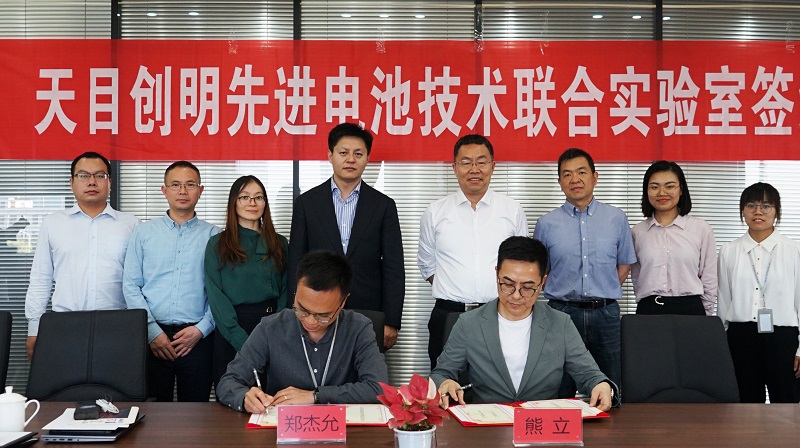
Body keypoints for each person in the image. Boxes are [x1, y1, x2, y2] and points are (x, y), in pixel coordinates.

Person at [431, 236, 616, 410]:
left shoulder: (561, 324)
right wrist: (445, 383)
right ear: (497, 274)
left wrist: (601, 385)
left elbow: (590, 374)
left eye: (527, 287)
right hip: (487, 423)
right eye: (507, 284)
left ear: (542, 282)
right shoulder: (469, 323)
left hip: (540, 424)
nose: (516, 295)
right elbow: (441, 373)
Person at [216, 251, 389, 413]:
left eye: (323, 316)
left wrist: (316, 396)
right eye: (302, 309)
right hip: (283, 428)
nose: (310, 321)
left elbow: (378, 388)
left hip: (341, 428)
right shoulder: (270, 328)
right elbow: (228, 382)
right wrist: (244, 397)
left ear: (343, 302)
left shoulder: (359, 328)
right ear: (296, 292)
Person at [287, 122, 404, 351]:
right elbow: (296, 262)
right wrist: (297, 310)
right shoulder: (307, 203)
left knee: (367, 371)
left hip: (368, 311)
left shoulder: (384, 206)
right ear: (330, 155)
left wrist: (391, 320)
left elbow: (393, 266)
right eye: (343, 153)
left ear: (367, 158)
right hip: (316, 311)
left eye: (358, 154)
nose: (351, 159)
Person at [418, 134, 528, 369]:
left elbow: (522, 265)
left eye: (481, 162)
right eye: (466, 162)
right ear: (454, 167)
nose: (474, 169)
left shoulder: (512, 210)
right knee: (445, 380)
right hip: (449, 314)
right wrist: (454, 288)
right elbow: (426, 263)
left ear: (493, 166)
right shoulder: (435, 212)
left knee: (499, 381)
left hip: (498, 313)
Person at [533, 148, 635, 397]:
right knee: (560, 387)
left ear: (595, 177)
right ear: (559, 182)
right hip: (561, 314)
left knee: (610, 386)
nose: (574, 179)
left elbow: (624, 263)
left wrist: (604, 289)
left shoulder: (616, 218)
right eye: (567, 174)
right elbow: (540, 271)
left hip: (605, 314)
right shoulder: (546, 224)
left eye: (581, 172)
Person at [25, 151, 139, 360]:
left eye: (100, 175)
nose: (92, 182)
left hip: (118, 326)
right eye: (83, 175)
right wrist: (34, 328)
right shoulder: (53, 223)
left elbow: (140, 281)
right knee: (65, 380)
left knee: (115, 381)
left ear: (110, 182)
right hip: (65, 325)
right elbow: (41, 279)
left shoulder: (131, 224)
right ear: (72, 183)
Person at [123, 161, 220, 402]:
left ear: (201, 190)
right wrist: (152, 332)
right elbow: (131, 285)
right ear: (164, 190)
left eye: (190, 185)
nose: (183, 191)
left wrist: (202, 329)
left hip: (198, 339)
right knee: (152, 413)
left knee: (196, 413)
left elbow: (222, 292)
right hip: (151, 339)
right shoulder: (143, 233)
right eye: (175, 185)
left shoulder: (215, 236)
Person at [718, 182, 800, 403]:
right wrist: (722, 347)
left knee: (786, 407)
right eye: (751, 205)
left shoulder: (794, 250)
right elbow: (723, 301)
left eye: (766, 206)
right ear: (742, 211)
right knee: (744, 407)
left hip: (783, 339)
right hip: (740, 337)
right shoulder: (729, 251)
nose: (758, 212)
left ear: (776, 211)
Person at [205, 175, 288, 387]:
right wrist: (240, 339)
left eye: (258, 197)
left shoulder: (279, 243)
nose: (252, 203)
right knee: (233, 395)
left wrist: (277, 331)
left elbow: (287, 289)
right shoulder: (218, 244)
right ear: (234, 202)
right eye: (245, 197)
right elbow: (216, 297)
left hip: (271, 328)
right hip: (232, 329)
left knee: (271, 397)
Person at [631, 161, 717, 315]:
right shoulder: (637, 232)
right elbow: (637, 277)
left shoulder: (701, 229)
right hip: (649, 309)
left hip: (690, 308)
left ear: (681, 189)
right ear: (646, 191)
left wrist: (706, 314)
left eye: (669, 186)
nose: (662, 192)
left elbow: (709, 276)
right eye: (654, 187)